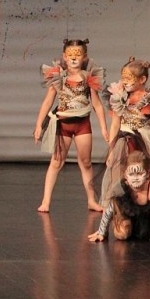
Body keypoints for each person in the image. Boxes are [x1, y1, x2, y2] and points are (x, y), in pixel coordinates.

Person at [100, 57, 150, 241]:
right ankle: (111, 225)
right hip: (124, 142)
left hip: (145, 142)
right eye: (123, 77)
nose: (125, 82)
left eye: (130, 78)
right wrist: (111, 150)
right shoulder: (120, 96)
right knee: (116, 184)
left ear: (142, 79)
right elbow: (115, 124)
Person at [34, 39, 108, 213]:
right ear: (65, 56)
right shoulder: (59, 76)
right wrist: (38, 125)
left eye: (78, 54)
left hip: (82, 124)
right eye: (70, 55)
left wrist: (104, 128)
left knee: (86, 162)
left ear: (84, 57)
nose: (74, 58)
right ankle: (46, 201)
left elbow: (97, 104)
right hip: (63, 124)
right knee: (56, 162)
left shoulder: (88, 77)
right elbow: (48, 102)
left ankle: (91, 200)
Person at [88, 150, 150, 243]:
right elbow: (109, 210)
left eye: (140, 174)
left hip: (144, 224)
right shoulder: (121, 187)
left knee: (144, 234)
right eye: (131, 174)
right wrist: (102, 232)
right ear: (125, 175)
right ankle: (121, 225)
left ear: (147, 173)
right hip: (127, 219)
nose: (135, 178)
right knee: (122, 234)